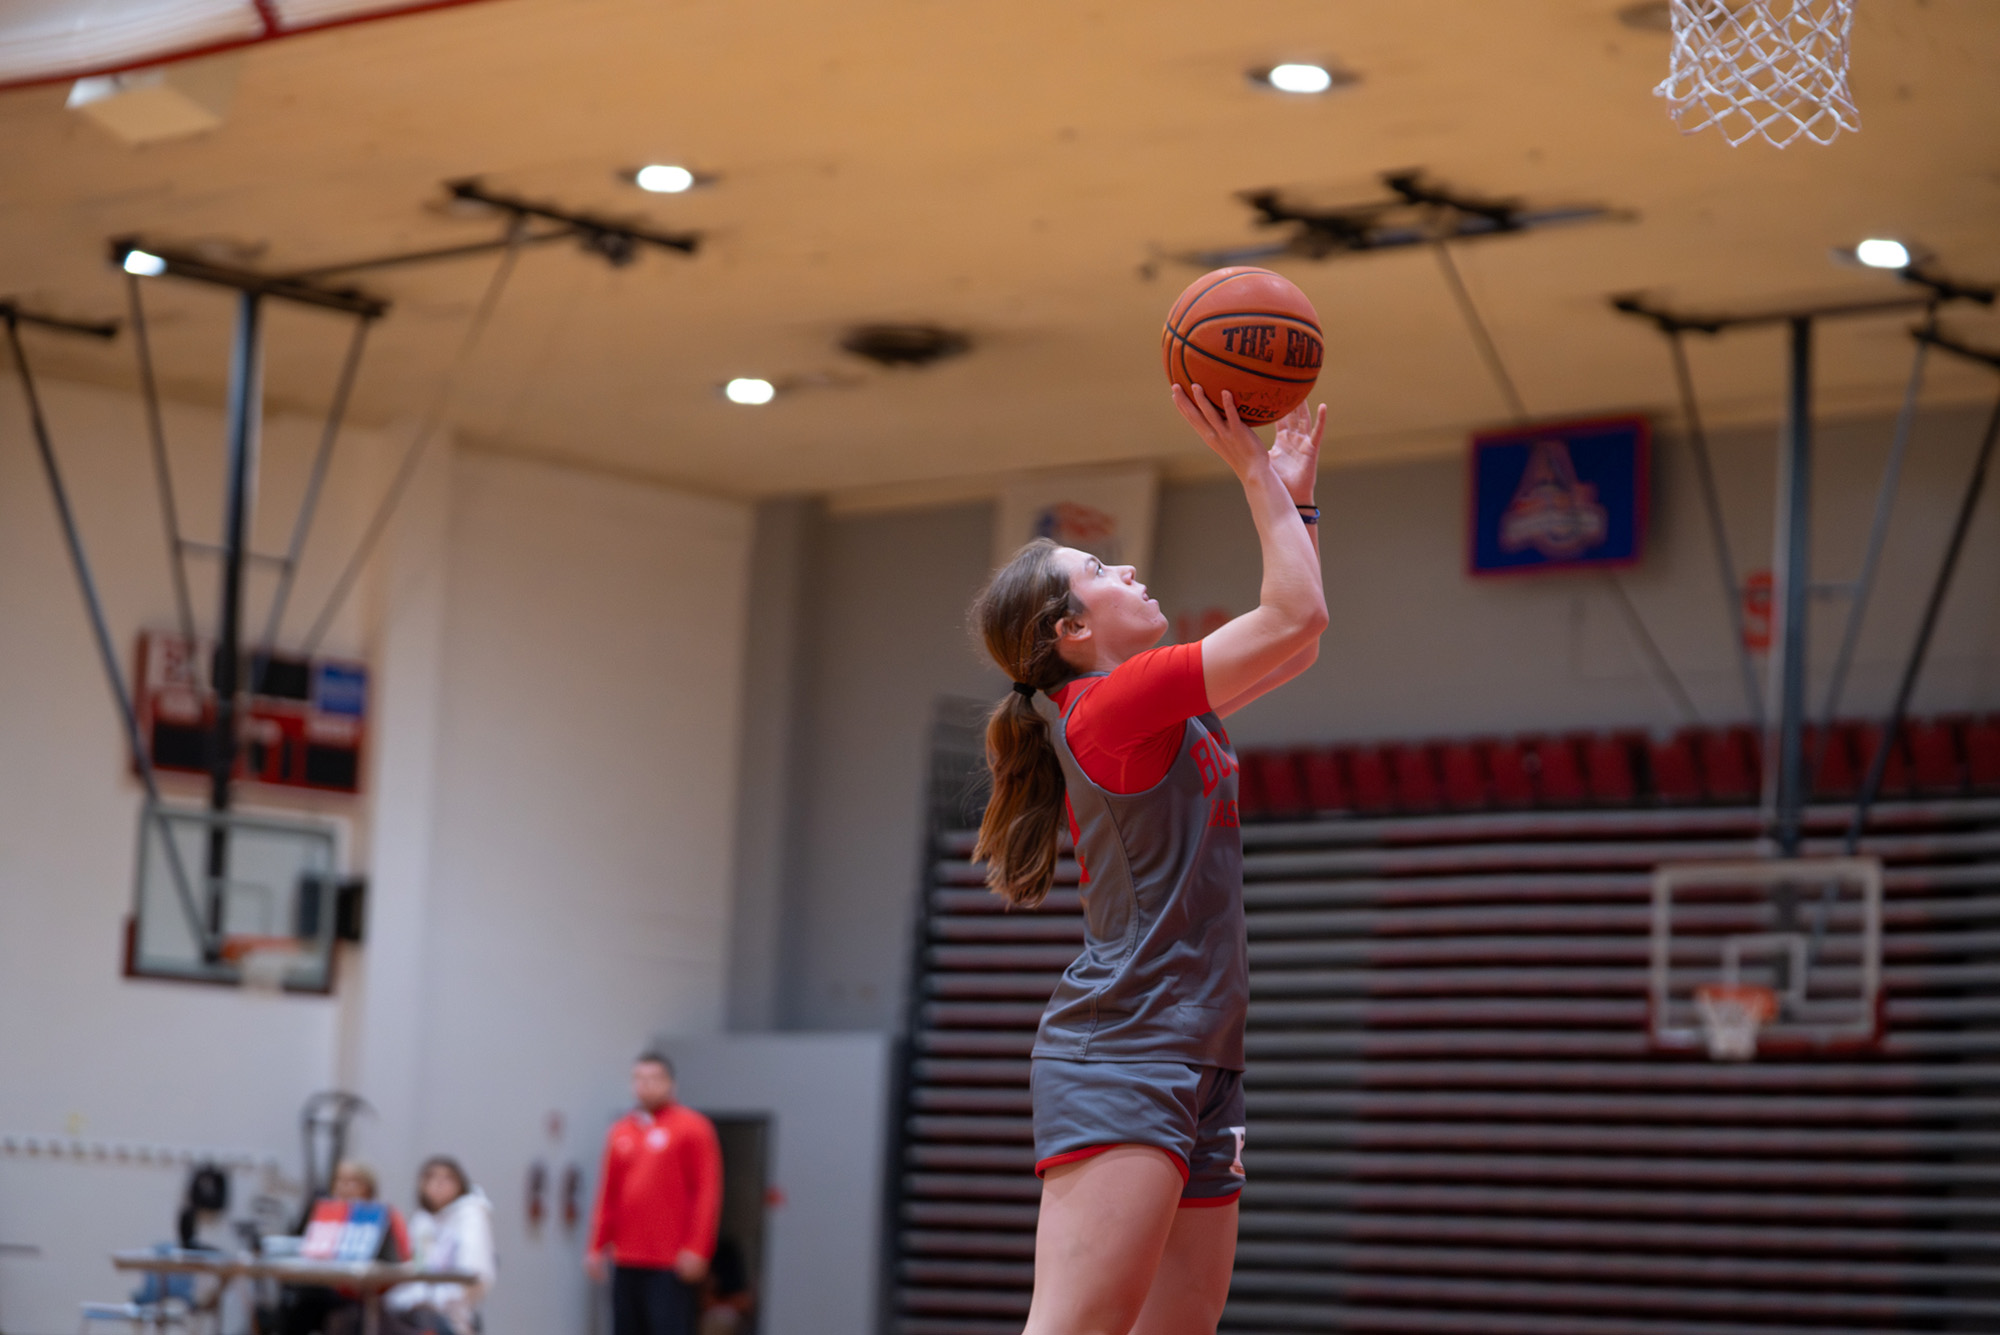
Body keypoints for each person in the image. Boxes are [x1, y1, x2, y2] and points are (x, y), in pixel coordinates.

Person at [971, 384, 1327, 1335]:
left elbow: (1297, 641)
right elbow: (1294, 616)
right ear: (1070, 632)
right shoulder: (1109, 703)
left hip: (1202, 1051)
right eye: (1098, 566)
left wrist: (1293, 508)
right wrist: (1256, 474)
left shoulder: (1162, 703)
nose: (1128, 566)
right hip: (1128, 1048)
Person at [586, 1052, 724, 1335]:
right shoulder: (621, 1130)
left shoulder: (693, 1127)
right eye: (638, 1078)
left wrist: (698, 1248)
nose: (645, 1085)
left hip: (670, 1261)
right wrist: (596, 1245)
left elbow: (708, 1191)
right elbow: (608, 1193)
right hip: (626, 1258)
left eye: (653, 1079)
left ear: (670, 1084)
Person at [383, 1156, 495, 1335]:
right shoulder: (422, 1220)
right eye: (432, 1177)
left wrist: (435, 1302)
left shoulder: (471, 1216)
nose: (439, 1184)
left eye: (447, 1178)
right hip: (415, 1305)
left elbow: (476, 1274)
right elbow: (413, 1266)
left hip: (452, 1316)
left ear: (460, 1184)